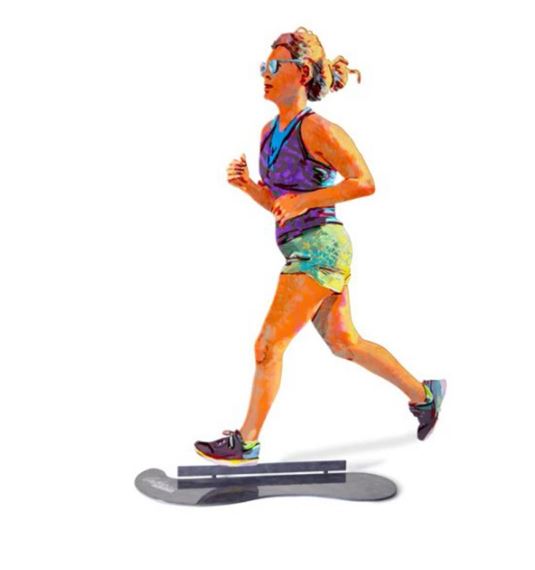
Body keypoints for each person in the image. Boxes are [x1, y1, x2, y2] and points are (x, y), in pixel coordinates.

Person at [194, 27, 446, 465]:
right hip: (301, 245)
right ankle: (424, 395)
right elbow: (281, 205)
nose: (265, 73)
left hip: (320, 248)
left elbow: (364, 182)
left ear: (302, 72)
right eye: (264, 66)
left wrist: (305, 201)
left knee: (267, 345)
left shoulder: (318, 129)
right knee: (345, 342)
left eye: (275, 66)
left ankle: (247, 442)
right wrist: (249, 187)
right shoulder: (268, 133)